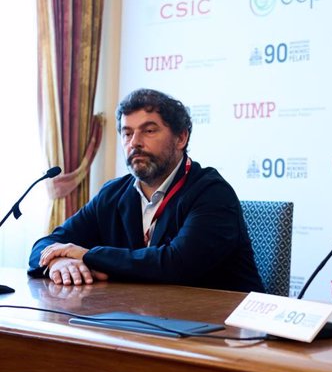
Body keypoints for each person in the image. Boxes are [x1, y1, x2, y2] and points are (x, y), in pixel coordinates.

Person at [28, 88, 265, 293]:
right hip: (144, 318)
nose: (135, 143)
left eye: (149, 131)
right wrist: (57, 261)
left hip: (224, 330)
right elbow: (48, 243)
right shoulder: (113, 194)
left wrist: (86, 255)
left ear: (181, 137)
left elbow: (177, 265)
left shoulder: (211, 192)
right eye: (127, 133)